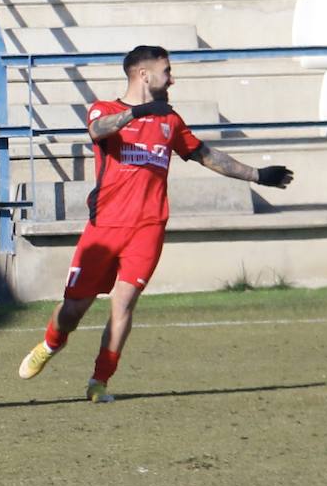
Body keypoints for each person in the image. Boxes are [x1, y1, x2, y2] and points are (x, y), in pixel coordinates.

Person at [17, 45, 295, 402]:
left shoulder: (170, 120)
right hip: (104, 228)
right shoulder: (107, 108)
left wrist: (257, 175)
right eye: (167, 71)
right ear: (144, 75)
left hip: (148, 228)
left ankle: (99, 382)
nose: (172, 78)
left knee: (125, 304)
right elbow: (97, 130)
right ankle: (50, 345)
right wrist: (138, 112)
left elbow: (205, 155)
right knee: (73, 310)